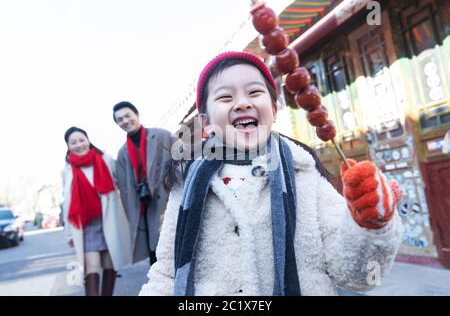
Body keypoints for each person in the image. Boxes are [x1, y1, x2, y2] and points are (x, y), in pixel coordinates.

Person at [139, 51, 404, 296]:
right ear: (206, 122)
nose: (242, 103)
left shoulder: (305, 177)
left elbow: (355, 276)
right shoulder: (187, 184)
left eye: (254, 92)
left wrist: (370, 225)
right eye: (225, 97)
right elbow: (166, 274)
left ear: (274, 110)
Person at [62, 126, 132, 296]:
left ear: (88, 140)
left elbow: (121, 182)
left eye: (81, 140)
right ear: (68, 146)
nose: (79, 145)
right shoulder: (68, 169)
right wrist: (69, 232)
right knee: (91, 267)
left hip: (108, 219)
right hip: (85, 225)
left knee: (110, 264)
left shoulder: (105, 159)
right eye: (73, 142)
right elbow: (67, 202)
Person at [113, 102, 176, 265]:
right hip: (145, 208)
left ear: (137, 115)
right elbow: (124, 189)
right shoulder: (122, 153)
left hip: (169, 201)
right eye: (120, 119)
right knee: (156, 255)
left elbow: (182, 158)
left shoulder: (161, 135)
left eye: (128, 115)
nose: (125, 121)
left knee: (175, 248)